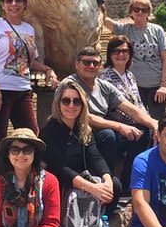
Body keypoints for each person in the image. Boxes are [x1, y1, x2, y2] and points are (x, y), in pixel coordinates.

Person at [0, 0, 58, 171]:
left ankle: (28, 179)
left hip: (22, 89)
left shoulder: (28, 29)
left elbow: (29, 61)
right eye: (9, 1)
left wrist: (47, 69)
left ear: (24, 5)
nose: (14, 4)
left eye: (18, 0)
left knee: (31, 135)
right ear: (2, 6)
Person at [60, 46, 158, 191]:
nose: (91, 66)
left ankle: (129, 184)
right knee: (108, 135)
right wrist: (118, 126)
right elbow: (82, 116)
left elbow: (130, 109)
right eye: (87, 62)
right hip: (76, 132)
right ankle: (109, 183)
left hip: (102, 130)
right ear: (77, 64)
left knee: (142, 132)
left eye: (95, 63)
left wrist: (155, 124)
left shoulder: (104, 86)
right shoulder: (69, 84)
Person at [40, 81, 122, 214]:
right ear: (58, 104)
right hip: (61, 184)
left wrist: (107, 180)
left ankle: (97, 224)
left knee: (115, 185)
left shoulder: (83, 129)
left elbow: (95, 157)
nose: (71, 106)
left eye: (76, 101)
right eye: (66, 101)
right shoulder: (49, 131)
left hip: (82, 179)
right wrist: (91, 188)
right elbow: (61, 169)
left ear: (82, 105)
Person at [0, 128, 61, 227]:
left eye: (27, 150)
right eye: (15, 150)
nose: (21, 155)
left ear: (34, 154)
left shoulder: (50, 182)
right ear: (8, 154)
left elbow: (51, 223)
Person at [104, 0, 166, 120]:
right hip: (133, 87)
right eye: (136, 9)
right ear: (131, 11)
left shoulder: (157, 30)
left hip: (156, 87)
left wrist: (163, 85)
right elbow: (105, 20)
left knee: (157, 123)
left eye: (144, 9)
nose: (140, 12)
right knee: (136, 122)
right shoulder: (125, 29)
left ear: (148, 12)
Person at [99, 35, 149, 131]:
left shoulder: (130, 76)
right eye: (116, 51)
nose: (121, 54)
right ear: (110, 54)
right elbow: (113, 109)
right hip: (121, 126)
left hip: (139, 121)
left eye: (125, 51)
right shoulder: (105, 77)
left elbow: (139, 102)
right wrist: (139, 122)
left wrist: (147, 119)